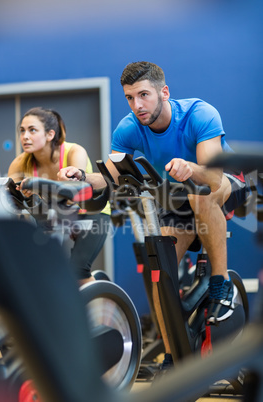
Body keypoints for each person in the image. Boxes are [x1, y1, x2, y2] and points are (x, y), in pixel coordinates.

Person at [58, 61, 248, 370]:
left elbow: (213, 178)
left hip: (226, 185)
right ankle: (174, 357)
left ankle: (220, 283)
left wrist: (191, 168)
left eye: (144, 95)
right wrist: (81, 176)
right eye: (130, 98)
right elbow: (109, 177)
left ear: (164, 92)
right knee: (160, 267)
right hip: (180, 198)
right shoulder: (129, 128)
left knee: (202, 192)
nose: (137, 105)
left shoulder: (199, 114)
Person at [8, 106, 110, 286]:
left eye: (32, 130)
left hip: (91, 211)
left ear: (49, 134)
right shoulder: (19, 163)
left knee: (78, 271)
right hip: (55, 214)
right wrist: (20, 194)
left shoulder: (74, 151)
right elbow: (11, 198)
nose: (25, 136)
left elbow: (74, 194)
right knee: (43, 269)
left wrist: (40, 188)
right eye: (22, 131)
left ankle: (99, 310)